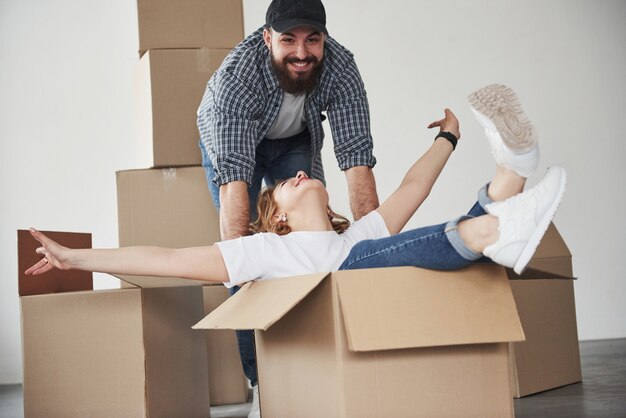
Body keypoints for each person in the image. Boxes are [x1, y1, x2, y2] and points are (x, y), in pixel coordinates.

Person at [27, 85, 564, 416]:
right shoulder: (264, 253)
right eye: (285, 183)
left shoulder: (354, 237)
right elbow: (166, 260)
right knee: (354, 267)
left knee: (366, 255)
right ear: (277, 217)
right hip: (331, 366)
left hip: (393, 303)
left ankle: (511, 171)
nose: (301, 173)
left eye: (303, 174)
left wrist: (448, 136)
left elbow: (412, 189)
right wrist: (78, 259)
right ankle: (490, 230)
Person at [197, 0, 380, 405]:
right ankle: (263, 383)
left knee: (308, 241)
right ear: (267, 39)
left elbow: (356, 158)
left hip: (295, 138)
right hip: (232, 147)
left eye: (312, 40)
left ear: (324, 40)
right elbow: (234, 188)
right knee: (247, 259)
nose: (301, 52)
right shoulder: (237, 79)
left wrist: (373, 252)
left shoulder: (341, 68)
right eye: (288, 40)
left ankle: (314, 364)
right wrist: (242, 266)